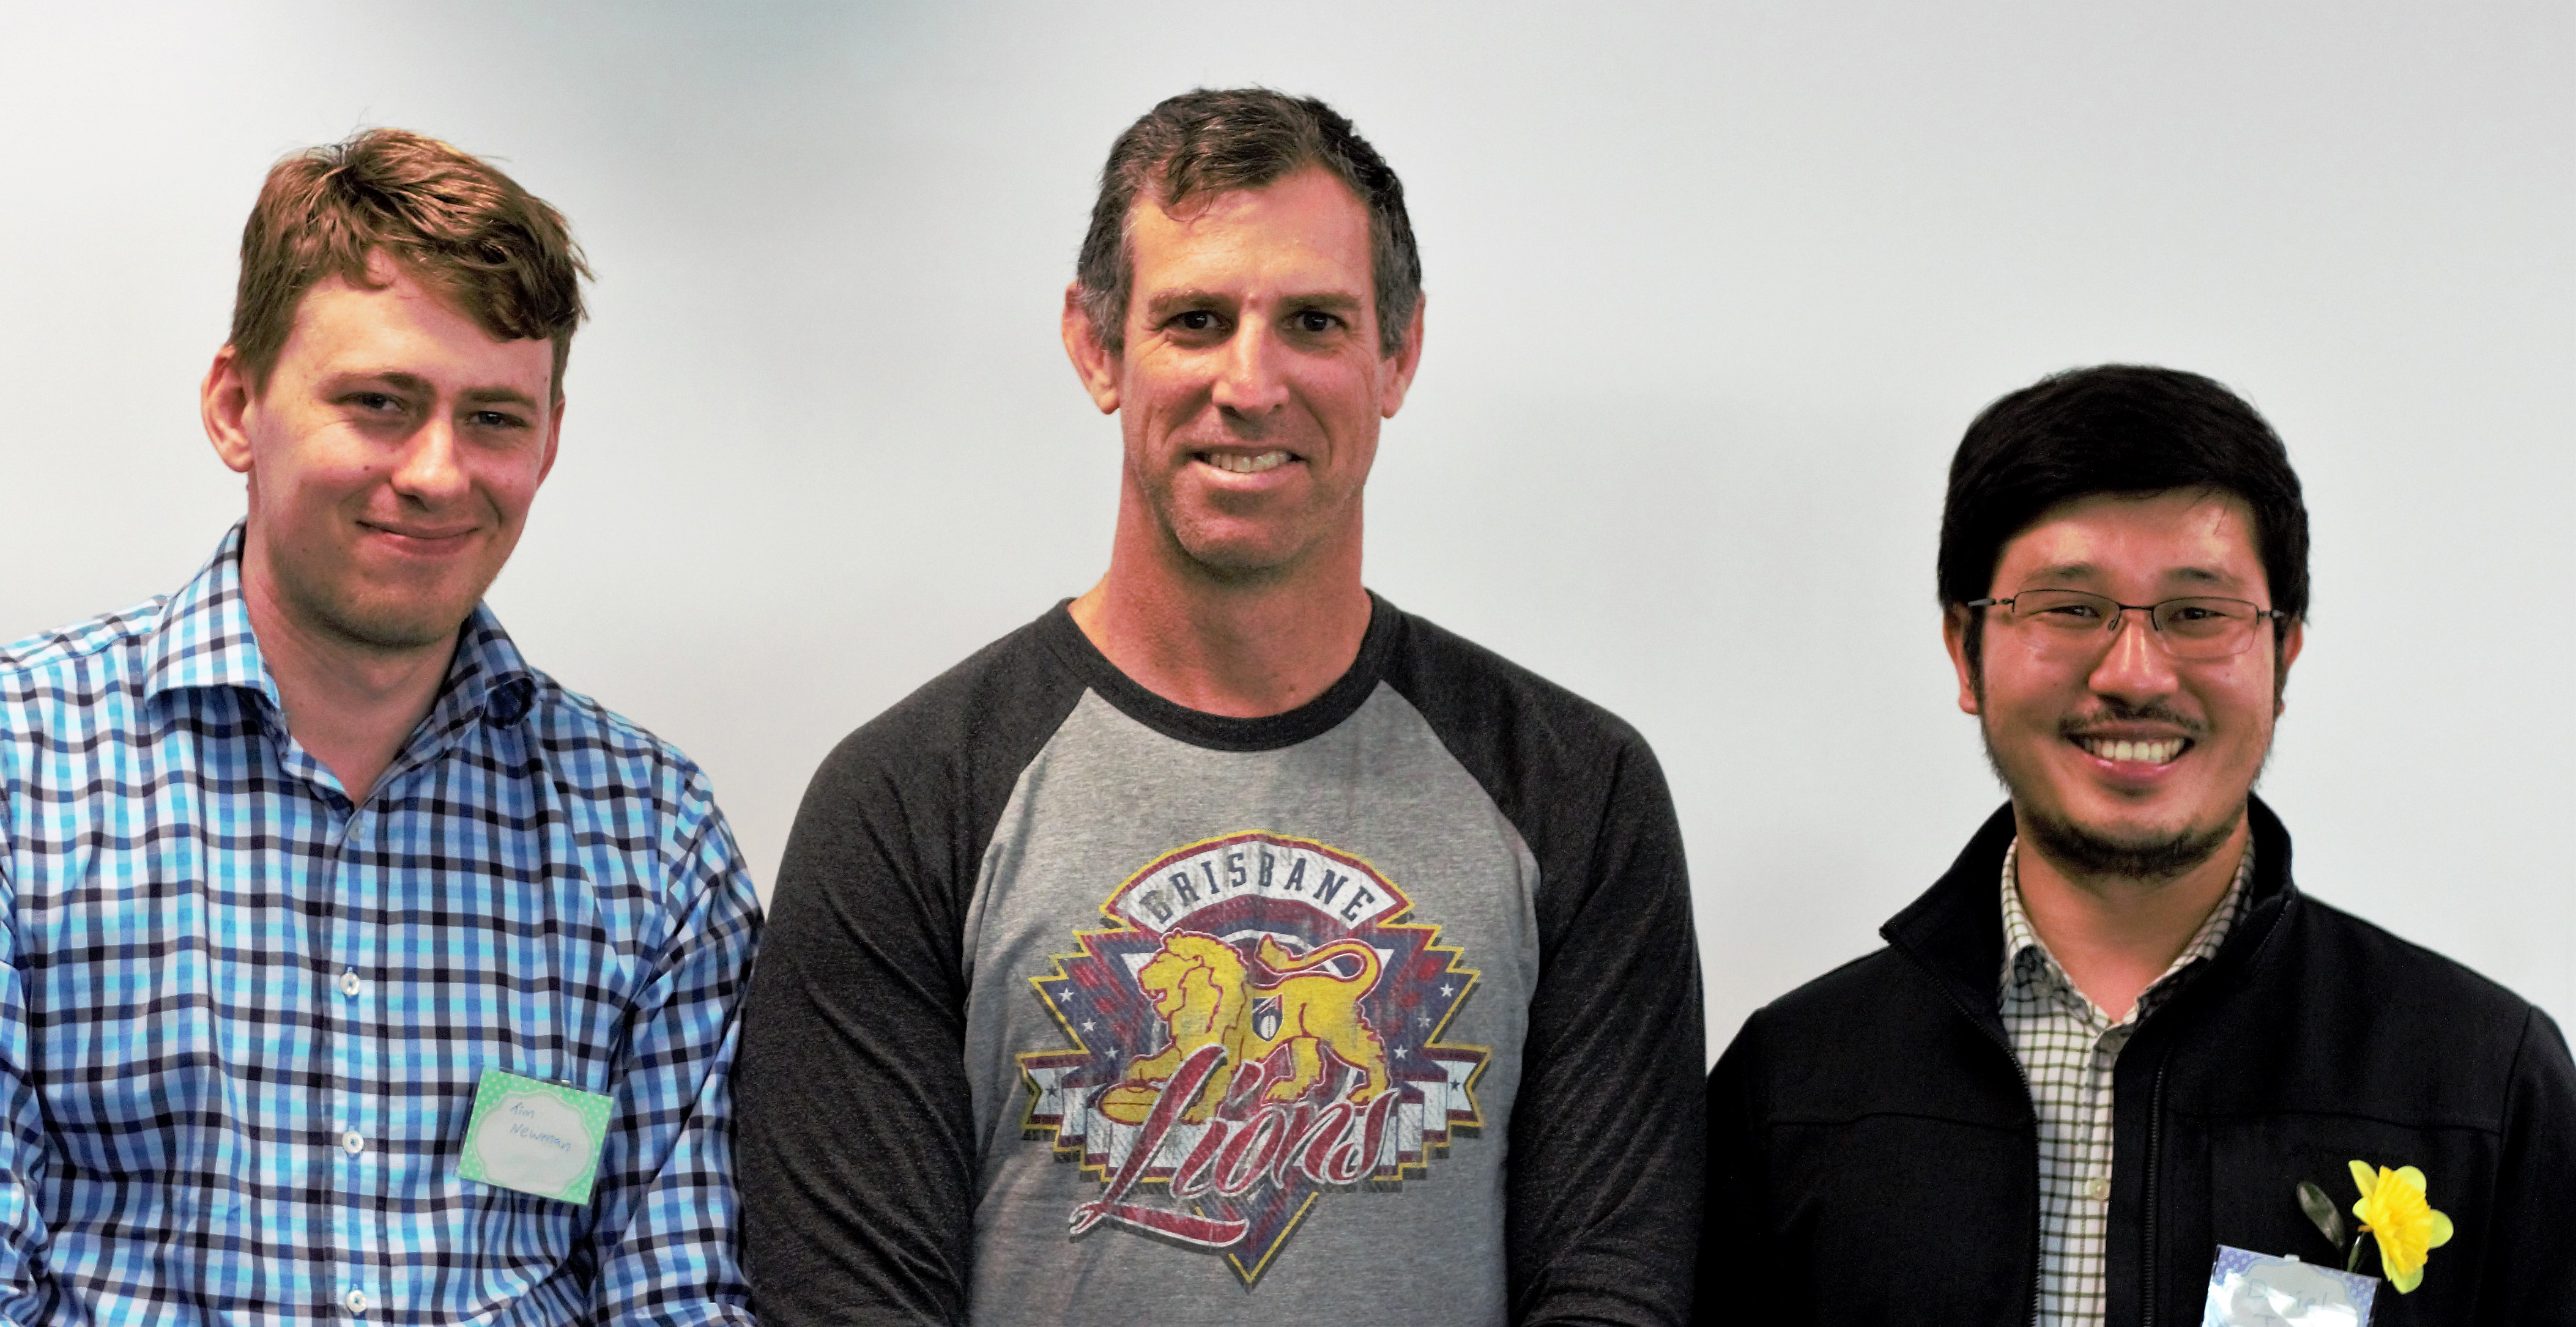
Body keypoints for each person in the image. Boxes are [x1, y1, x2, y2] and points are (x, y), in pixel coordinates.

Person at [736, 88, 1702, 1325]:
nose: (1251, 384)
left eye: (1313, 321)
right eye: (1196, 320)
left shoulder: (1575, 786)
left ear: (1398, 354)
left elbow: (1614, 1288)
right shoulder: (908, 798)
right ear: (1098, 348)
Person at [0, 130, 761, 1324]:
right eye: (378, 403)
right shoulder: (25, 769)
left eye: (494, 418)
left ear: (550, 441)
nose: (438, 472)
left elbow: (679, 1295)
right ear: (236, 406)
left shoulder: (652, 838)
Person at [1700, 365, 2576, 1325]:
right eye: (2070, 607)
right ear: (1965, 648)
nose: (2135, 674)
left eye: (2197, 613)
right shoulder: (1792, 1085)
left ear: (2283, 655)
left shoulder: (2482, 1082)